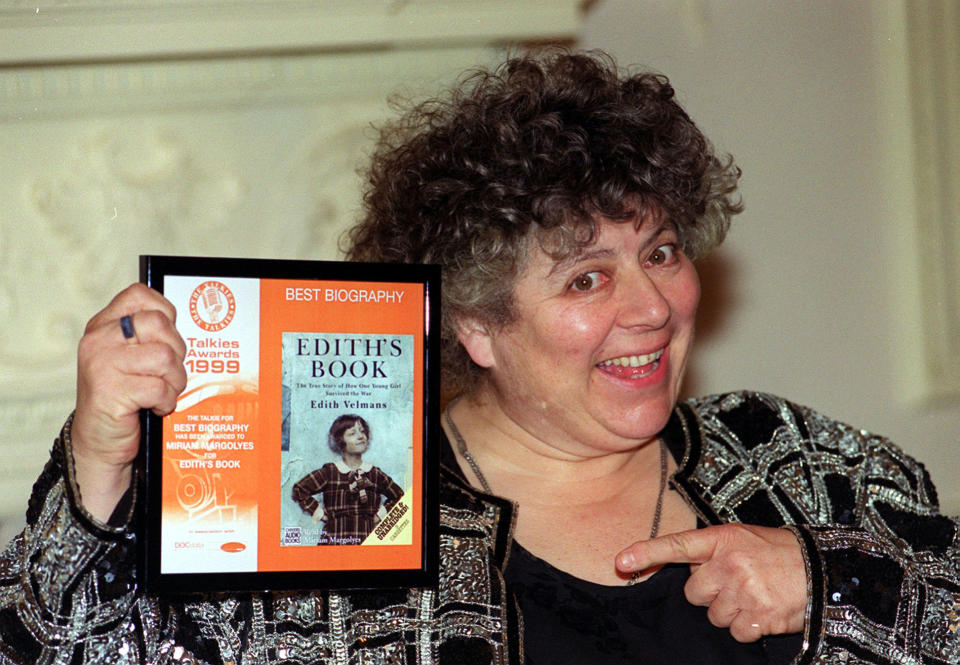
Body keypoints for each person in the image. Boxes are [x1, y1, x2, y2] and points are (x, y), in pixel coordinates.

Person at [1, 48, 957, 665]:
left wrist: (840, 584)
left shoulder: (808, 468)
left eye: (661, 253)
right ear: (477, 326)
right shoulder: (344, 517)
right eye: (586, 278)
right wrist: (96, 461)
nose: (653, 306)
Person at [291, 414, 404, 545]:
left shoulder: (374, 474)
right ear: (340, 441)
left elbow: (399, 496)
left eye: (362, 432)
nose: (361, 436)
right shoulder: (330, 472)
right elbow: (299, 489)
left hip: (365, 543)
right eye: (352, 433)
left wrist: (380, 515)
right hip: (333, 545)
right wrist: (319, 513)